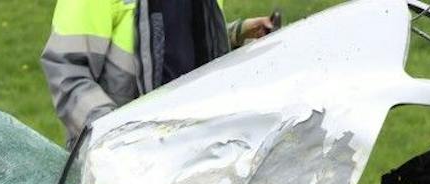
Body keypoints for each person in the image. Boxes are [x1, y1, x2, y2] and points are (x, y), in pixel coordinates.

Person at [41, 0, 277, 145]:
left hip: (192, 145)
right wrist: (112, 137)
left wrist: (236, 33)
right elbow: (67, 71)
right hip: (124, 164)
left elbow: (178, 43)